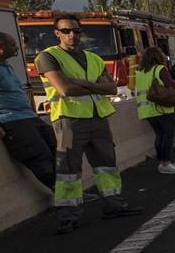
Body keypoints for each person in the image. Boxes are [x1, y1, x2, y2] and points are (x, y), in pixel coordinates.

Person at [36, 13, 143, 234]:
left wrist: (82, 83)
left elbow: (111, 89)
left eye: (76, 30)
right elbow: (64, 89)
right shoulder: (48, 57)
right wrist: (94, 85)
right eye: (66, 31)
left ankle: (114, 205)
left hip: (98, 117)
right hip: (69, 119)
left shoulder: (93, 58)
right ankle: (68, 216)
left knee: (106, 164)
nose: (72, 35)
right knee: (68, 170)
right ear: (57, 33)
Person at [0, 30, 56, 190]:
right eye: (13, 45)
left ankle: (70, 192)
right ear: (1, 47)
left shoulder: (3, 65)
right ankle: (65, 197)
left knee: (56, 149)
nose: (17, 48)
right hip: (12, 121)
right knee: (40, 157)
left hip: (28, 117)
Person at [134, 46, 175, 175]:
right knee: (168, 135)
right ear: (159, 57)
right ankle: (166, 162)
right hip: (161, 108)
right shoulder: (160, 69)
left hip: (146, 110)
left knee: (159, 135)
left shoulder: (140, 71)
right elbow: (171, 85)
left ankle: (162, 162)